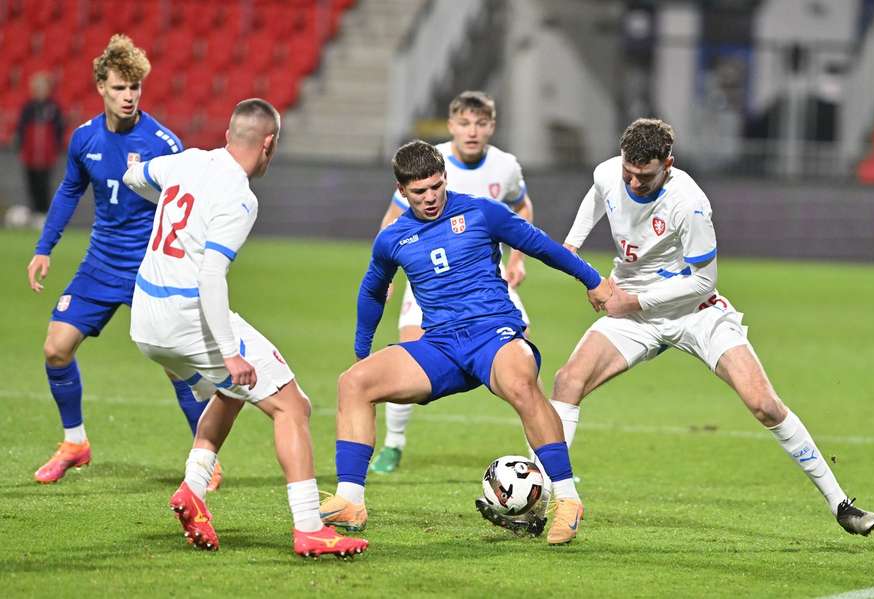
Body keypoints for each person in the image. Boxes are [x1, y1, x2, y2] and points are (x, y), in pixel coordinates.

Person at [551, 117, 874, 536]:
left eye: (645, 176)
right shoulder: (608, 173)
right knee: (567, 382)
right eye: (628, 173)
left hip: (694, 310)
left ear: (667, 163)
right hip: (633, 312)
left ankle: (841, 504)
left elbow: (702, 281)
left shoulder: (689, 202)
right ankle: (550, 495)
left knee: (763, 403)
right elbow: (599, 195)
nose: (634, 184)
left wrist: (633, 299)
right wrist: (573, 248)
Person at [319, 140, 611, 545]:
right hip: (439, 345)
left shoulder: (480, 212)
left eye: (436, 186)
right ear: (401, 191)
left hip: (494, 334)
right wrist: (361, 349)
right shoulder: (392, 238)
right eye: (419, 192)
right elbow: (372, 291)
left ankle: (567, 498)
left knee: (520, 382)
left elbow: (541, 246)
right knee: (353, 382)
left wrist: (593, 280)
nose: (430, 197)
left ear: (444, 179)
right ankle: (351, 500)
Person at [123, 98, 368, 558]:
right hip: (185, 316)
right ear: (269, 143)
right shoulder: (239, 197)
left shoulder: (189, 160)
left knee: (236, 389)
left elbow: (135, 177)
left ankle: (193, 489)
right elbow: (210, 276)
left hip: (145, 319)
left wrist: (174, 206)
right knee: (293, 406)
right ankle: (311, 528)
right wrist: (229, 352)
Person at [26, 35, 220, 489]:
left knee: (174, 363)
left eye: (135, 87)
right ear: (101, 88)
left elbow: (187, 203)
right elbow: (71, 190)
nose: (129, 96)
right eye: (119, 88)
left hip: (149, 268)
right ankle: (75, 442)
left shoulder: (162, 142)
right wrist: (44, 247)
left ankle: (205, 457)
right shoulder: (83, 138)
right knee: (56, 348)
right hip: (99, 263)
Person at [371, 91, 536, 475]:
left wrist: (517, 257)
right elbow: (391, 221)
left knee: (522, 359)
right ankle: (394, 445)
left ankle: (540, 454)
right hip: (429, 279)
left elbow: (522, 206)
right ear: (451, 126)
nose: (472, 131)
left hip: (484, 279)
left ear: (492, 126)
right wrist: (387, 274)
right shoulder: (429, 163)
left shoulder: (505, 166)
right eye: (464, 123)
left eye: (480, 123)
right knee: (408, 354)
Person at [12, 72, 65, 230]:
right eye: (37, 87)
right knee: (31, 183)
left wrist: (56, 146)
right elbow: (21, 129)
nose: (39, 90)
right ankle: (34, 213)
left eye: (42, 87)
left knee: (45, 184)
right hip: (30, 154)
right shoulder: (28, 107)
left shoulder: (53, 107)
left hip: (47, 155)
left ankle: (44, 214)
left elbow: (59, 129)